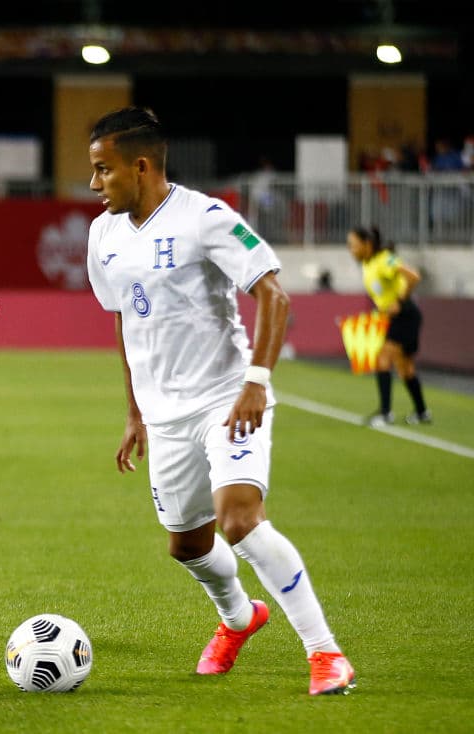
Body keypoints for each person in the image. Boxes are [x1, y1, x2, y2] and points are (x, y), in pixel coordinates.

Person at [85, 106, 355, 696]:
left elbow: (274, 296)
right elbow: (123, 321)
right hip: (164, 413)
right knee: (186, 543)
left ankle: (325, 653)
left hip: (227, 399)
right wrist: (134, 412)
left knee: (239, 519)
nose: (94, 183)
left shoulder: (206, 218)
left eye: (103, 170)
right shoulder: (101, 235)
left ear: (140, 165)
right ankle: (239, 617)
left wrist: (256, 380)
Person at [347, 226, 430, 425]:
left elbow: (414, 276)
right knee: (405, 369)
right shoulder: (368, 263)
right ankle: (422, 412)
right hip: (397, 317)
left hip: (406, 314)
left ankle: (385, 413)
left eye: (353, 245)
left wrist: (400, 302)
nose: (351, 250)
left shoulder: (384, 259)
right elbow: (384, 296)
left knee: (383, 359)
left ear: (367, 244)